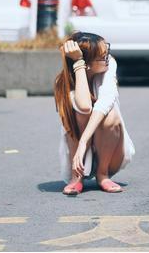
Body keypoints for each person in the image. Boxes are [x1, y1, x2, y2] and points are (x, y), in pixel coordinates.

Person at [54, 31, 135, 196]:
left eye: (107, 52)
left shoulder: (109, 65)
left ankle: (102, 174)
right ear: (87, 64)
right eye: (102, 56)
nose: (108, 58)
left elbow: (105, 101)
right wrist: (78, 63)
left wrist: (83, 142)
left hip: (111, 153)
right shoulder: (63, 83)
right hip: (77, 157)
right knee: (79, 112)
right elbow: (84, 107)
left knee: (110, 117)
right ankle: (76, 177)